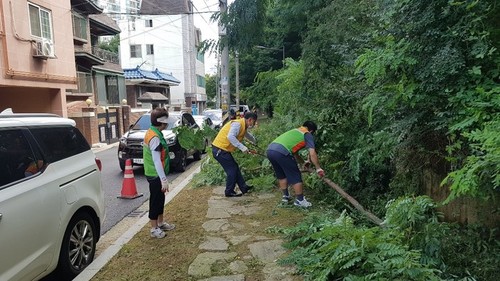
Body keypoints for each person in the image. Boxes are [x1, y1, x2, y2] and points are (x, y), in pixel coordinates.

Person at [266, 121, 325, 207]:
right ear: (312, 131)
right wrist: (318, 168)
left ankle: (285, 197)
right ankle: (300, 201)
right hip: (282, 152)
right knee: (295, 175)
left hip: (270, 150)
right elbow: (312, 153)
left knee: (281, 174)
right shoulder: (307, 134)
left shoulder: (296, 131)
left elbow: (295, 154)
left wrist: (303, 163)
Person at [143, 108, 176, 238]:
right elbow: (156, 160)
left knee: (161, 198)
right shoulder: (154, 137)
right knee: (155, 200)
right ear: (162, 122)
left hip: (157, 172)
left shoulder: (155, 132)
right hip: (154, 174)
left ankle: (160, 223)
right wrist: (163, 179)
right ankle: (154, 228)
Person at [212, 112, 258, 197]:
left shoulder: (242, 125)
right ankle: (229, 192)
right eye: (254, 122)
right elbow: (230, 137)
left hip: (222, 150)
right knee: (232, 170)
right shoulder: (237, 124)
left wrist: (255, 141)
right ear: (250, 120)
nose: (254, 124)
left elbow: (247, 135)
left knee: (235, 167)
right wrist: (243, 147)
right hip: (220, 150)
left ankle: (243, 188)